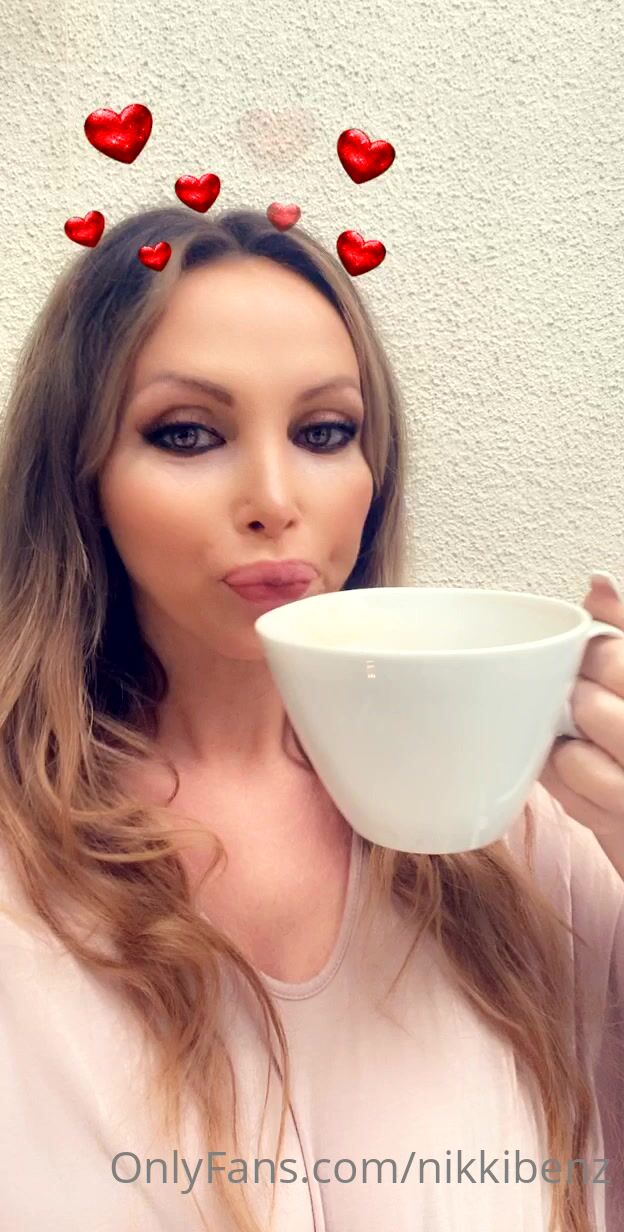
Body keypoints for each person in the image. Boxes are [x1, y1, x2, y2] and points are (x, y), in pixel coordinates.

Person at [0, 204, 621, 1232]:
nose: (275, 498)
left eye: (325, 432)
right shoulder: (20, 872)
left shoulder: (527, 842)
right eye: (187, 433)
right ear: (82, 477)